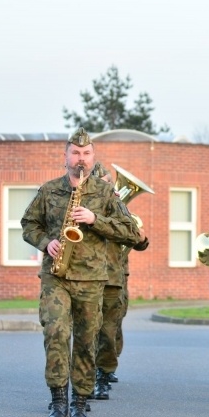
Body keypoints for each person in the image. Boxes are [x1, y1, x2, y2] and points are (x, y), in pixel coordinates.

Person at [21, 128, 141, 417]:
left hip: (92, 279)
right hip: (56, 275)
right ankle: (58, 401)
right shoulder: (49, 190)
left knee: (87, 340)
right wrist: (45, 242)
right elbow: (28, 224)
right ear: (65, 157)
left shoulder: (105, 193)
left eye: (86, 154)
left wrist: (95, 219)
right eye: (75, 153)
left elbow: (132, 233)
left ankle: (80, 402)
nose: (81, 159)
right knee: (56, 333)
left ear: (93, 157)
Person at [92, 164, 150, 399]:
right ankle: (85, 377)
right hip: (84, 276)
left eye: (108, 183)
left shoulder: (119, 207)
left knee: (108, 331)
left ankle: (104, 373)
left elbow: (139, 241)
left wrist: (140, 237)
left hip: (112, 277)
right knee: (86, 331)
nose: (106, 187)